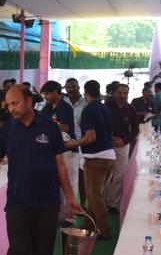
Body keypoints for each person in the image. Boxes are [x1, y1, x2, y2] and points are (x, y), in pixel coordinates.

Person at [0, 85, 82, 255]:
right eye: (8, 105)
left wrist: (70, 197)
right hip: (17, 204)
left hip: (48, 203)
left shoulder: (49, 126)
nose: (11, 109)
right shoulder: (5, 130)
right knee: (18, 254)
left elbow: (60, 165)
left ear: (29, 101)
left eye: (15, 103)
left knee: (43, 254)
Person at [66, 80, 116, 237]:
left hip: (96, 157)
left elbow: (90, 137)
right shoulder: (105, 109)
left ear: (86, 92)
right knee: (94, 195)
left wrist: (73, 143)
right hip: (109, 156)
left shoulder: (88, 111)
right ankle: (88, 226)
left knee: (94, 196)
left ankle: (104, 230)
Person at [41, 81, 80, 214]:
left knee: (70, 183)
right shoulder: (47, 108)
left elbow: (66, 128)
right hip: (54, 150)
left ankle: (70, 216)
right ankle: (58, 216)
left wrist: (51, 123)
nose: (45, 97)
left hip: (69, 150)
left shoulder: (66, 107)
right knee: (56, 184)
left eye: (47, 94)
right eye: (44, 94)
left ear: (56, 92)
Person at [106, 83, 138, 211]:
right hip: (107, 144)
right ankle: (103, 202)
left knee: (120, 174)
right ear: (114, 93)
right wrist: (112, 138)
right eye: (120, 93)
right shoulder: (107, 108)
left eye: (125, 93)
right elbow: (102, 126)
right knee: (107, 175)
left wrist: (124, 140)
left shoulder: (131, 109)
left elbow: (136, 129)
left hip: (123, 144)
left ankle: (114, 203)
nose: (122, 95)